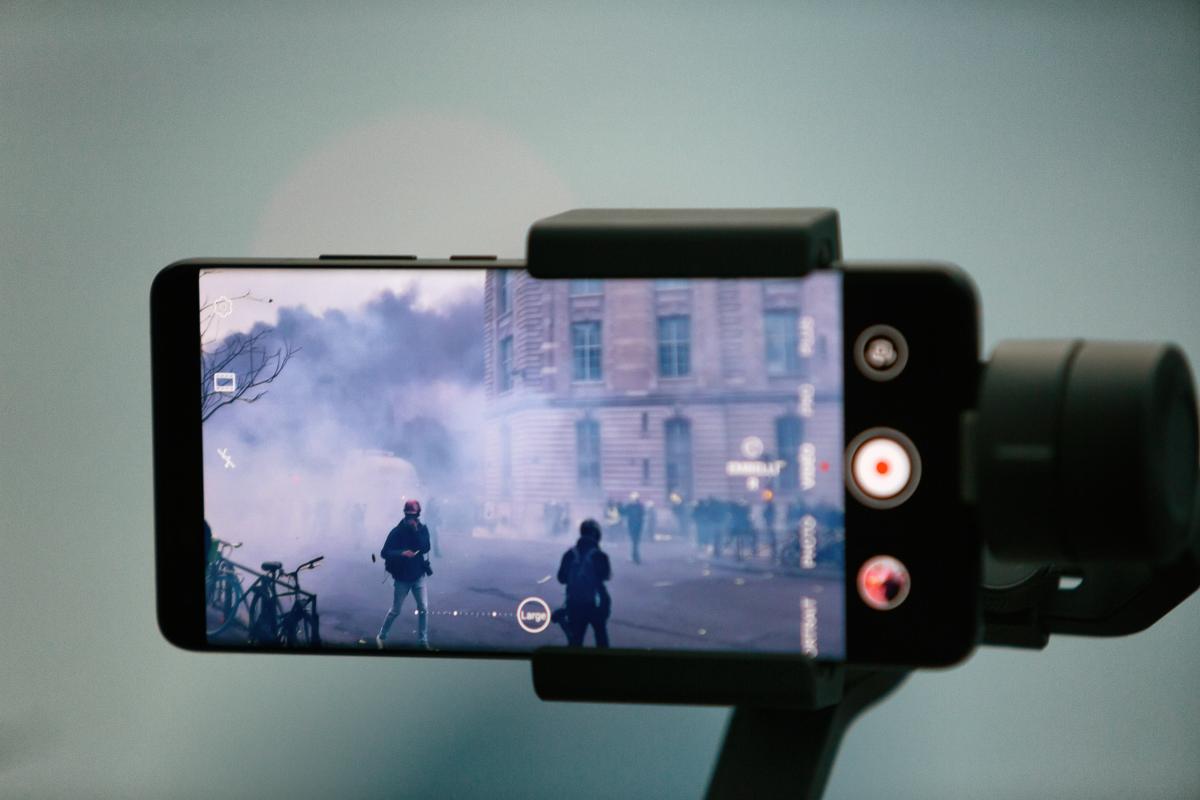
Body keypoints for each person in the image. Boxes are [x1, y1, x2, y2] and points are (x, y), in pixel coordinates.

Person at [377, 499, 432, 649]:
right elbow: (384, 552)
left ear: (417, 515)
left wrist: (416, 531)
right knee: (396, 610)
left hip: (418, 575)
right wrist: (402, 553)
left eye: (413, 516)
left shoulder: (422, 529)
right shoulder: (397, 531)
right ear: (405, 514)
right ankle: (381, 636)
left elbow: (426, 547)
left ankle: (423, 640)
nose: (410, 519)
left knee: (423, 608)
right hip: (402, 577)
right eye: (408, 516)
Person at [555, 519, 612, 647]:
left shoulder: (570, 554)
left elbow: (561, 578)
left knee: (575, 641)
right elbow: (605, 576)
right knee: (601, 638)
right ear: (596, 534)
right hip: (595, 604)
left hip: (574, 603)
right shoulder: (600, 555)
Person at [624, 495, 645, 564]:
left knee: (635, 542)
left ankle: (636, 557)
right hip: (634, 527)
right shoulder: (637, 507)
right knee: (635, 542)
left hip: (636, 527)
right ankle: (634, 556)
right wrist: (619, 506)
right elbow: (623, 512)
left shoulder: (635, 507)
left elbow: (624, 512)